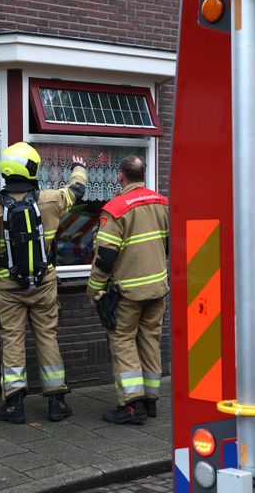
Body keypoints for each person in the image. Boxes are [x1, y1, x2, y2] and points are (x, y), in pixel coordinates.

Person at [0, 142, 88, 424]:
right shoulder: (51, 200)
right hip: (44, 283)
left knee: (12, 339)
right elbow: (77, 191)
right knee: (47, 336)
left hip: (8, 286)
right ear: (32, 169)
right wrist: (79, 168)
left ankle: (13, 406)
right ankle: (56, 403)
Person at [86, 156, 169, 424]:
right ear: (142, 174)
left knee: (122, 341)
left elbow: (105, 258)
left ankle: (131, 406)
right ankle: (150, 400)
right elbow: (168, 244)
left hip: (128, 292)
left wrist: (94, 291)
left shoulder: (115, 209)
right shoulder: (162, 202)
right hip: (157, 288)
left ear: (121, 176)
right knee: (149, 341)